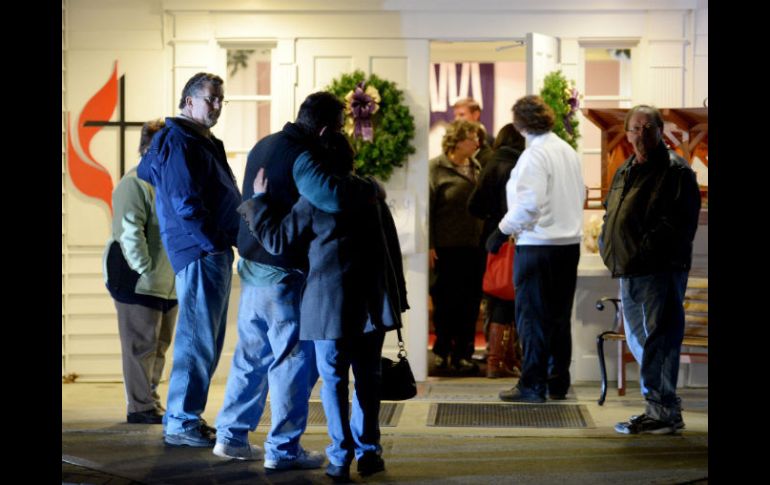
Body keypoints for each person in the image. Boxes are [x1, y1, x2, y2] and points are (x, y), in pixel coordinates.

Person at [213, 92, 382, 468]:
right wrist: (370, 187)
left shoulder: (265, 144)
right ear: (324, 129)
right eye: (338, 128)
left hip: (252, 268)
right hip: (285, 274)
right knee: (292, 362)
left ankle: (231, 435)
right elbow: (333, 197)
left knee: (250, 357)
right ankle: (283, 450)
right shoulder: (305, 158)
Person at [238, 132, 408, 481]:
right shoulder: (372, 193)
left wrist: (258, 200)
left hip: (328, 306)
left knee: (333, 382)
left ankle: (340, 457)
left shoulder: (313, 201)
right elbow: (390, 248)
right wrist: (395, 298)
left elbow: (276, 240)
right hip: (372, 305)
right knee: (368, 380)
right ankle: (370, 453)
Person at [137, 72, 241, 447]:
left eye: (220, 99)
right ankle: (181, 421)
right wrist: (213, 243)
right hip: (200, 252)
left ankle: (187, 417)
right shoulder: (180, 142)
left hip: (209, 251)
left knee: (205, 341)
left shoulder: (200, 141)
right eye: (210, 98)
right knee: (196, 340)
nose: (216, 105)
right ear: (188, 101)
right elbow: (184, 203)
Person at [598, 105, 701, 435]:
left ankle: (663, 412)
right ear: (626, 133)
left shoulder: (675, 171)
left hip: (657, 270)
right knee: (643, 340)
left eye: (647, 128)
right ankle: (661, 410)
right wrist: (606, 243)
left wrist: (641, 253)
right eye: (634, 129)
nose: (639, 135)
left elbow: (677, 226)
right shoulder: (626, 168)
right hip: (630, 269)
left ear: (661, 131)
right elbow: (611, 214)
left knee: (658, 339)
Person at [486, 95, 585, 403]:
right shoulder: (567, 150)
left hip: (538, 246)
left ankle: (532, 384)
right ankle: (557, 381)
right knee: (558, 317)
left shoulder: (534, 155)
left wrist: (500, 232)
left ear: (519, 123)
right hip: (568, 245)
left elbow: (529, 206)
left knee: (532, 318)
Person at [103, 119, 177, 425]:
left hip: (167, 283)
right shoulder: (134, 183)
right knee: (139, 347)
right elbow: (130, 233)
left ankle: (150, 400)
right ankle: (139, 407)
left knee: (158, 346)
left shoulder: (167, 183)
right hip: (137, 281)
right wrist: (146, 271)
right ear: (149, 147)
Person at [468, 123, 526, 378]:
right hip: (515, 236)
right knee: (509, 295)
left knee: (498, 295)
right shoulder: (521, 165)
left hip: (493, 237)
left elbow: (475, 205)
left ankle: (500, 358)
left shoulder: (491, 163)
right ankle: (499, 359)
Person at [429, 119, 486, 375]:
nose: (477, 142)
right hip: (445, 248)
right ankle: (442, 351)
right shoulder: (436, 169)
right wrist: (428, 245)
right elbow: (427, 210)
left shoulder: (476, 167)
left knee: (470, 303)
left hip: (474, 248)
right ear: (457, 140)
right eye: (472, 138)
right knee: (444, 302)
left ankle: (464, 352)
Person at [453, 97, 494, 167]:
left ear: (475, 115)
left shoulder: (489, 142)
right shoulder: (453, 140)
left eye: (461, 115)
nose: (456, 119)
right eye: (455, 115)